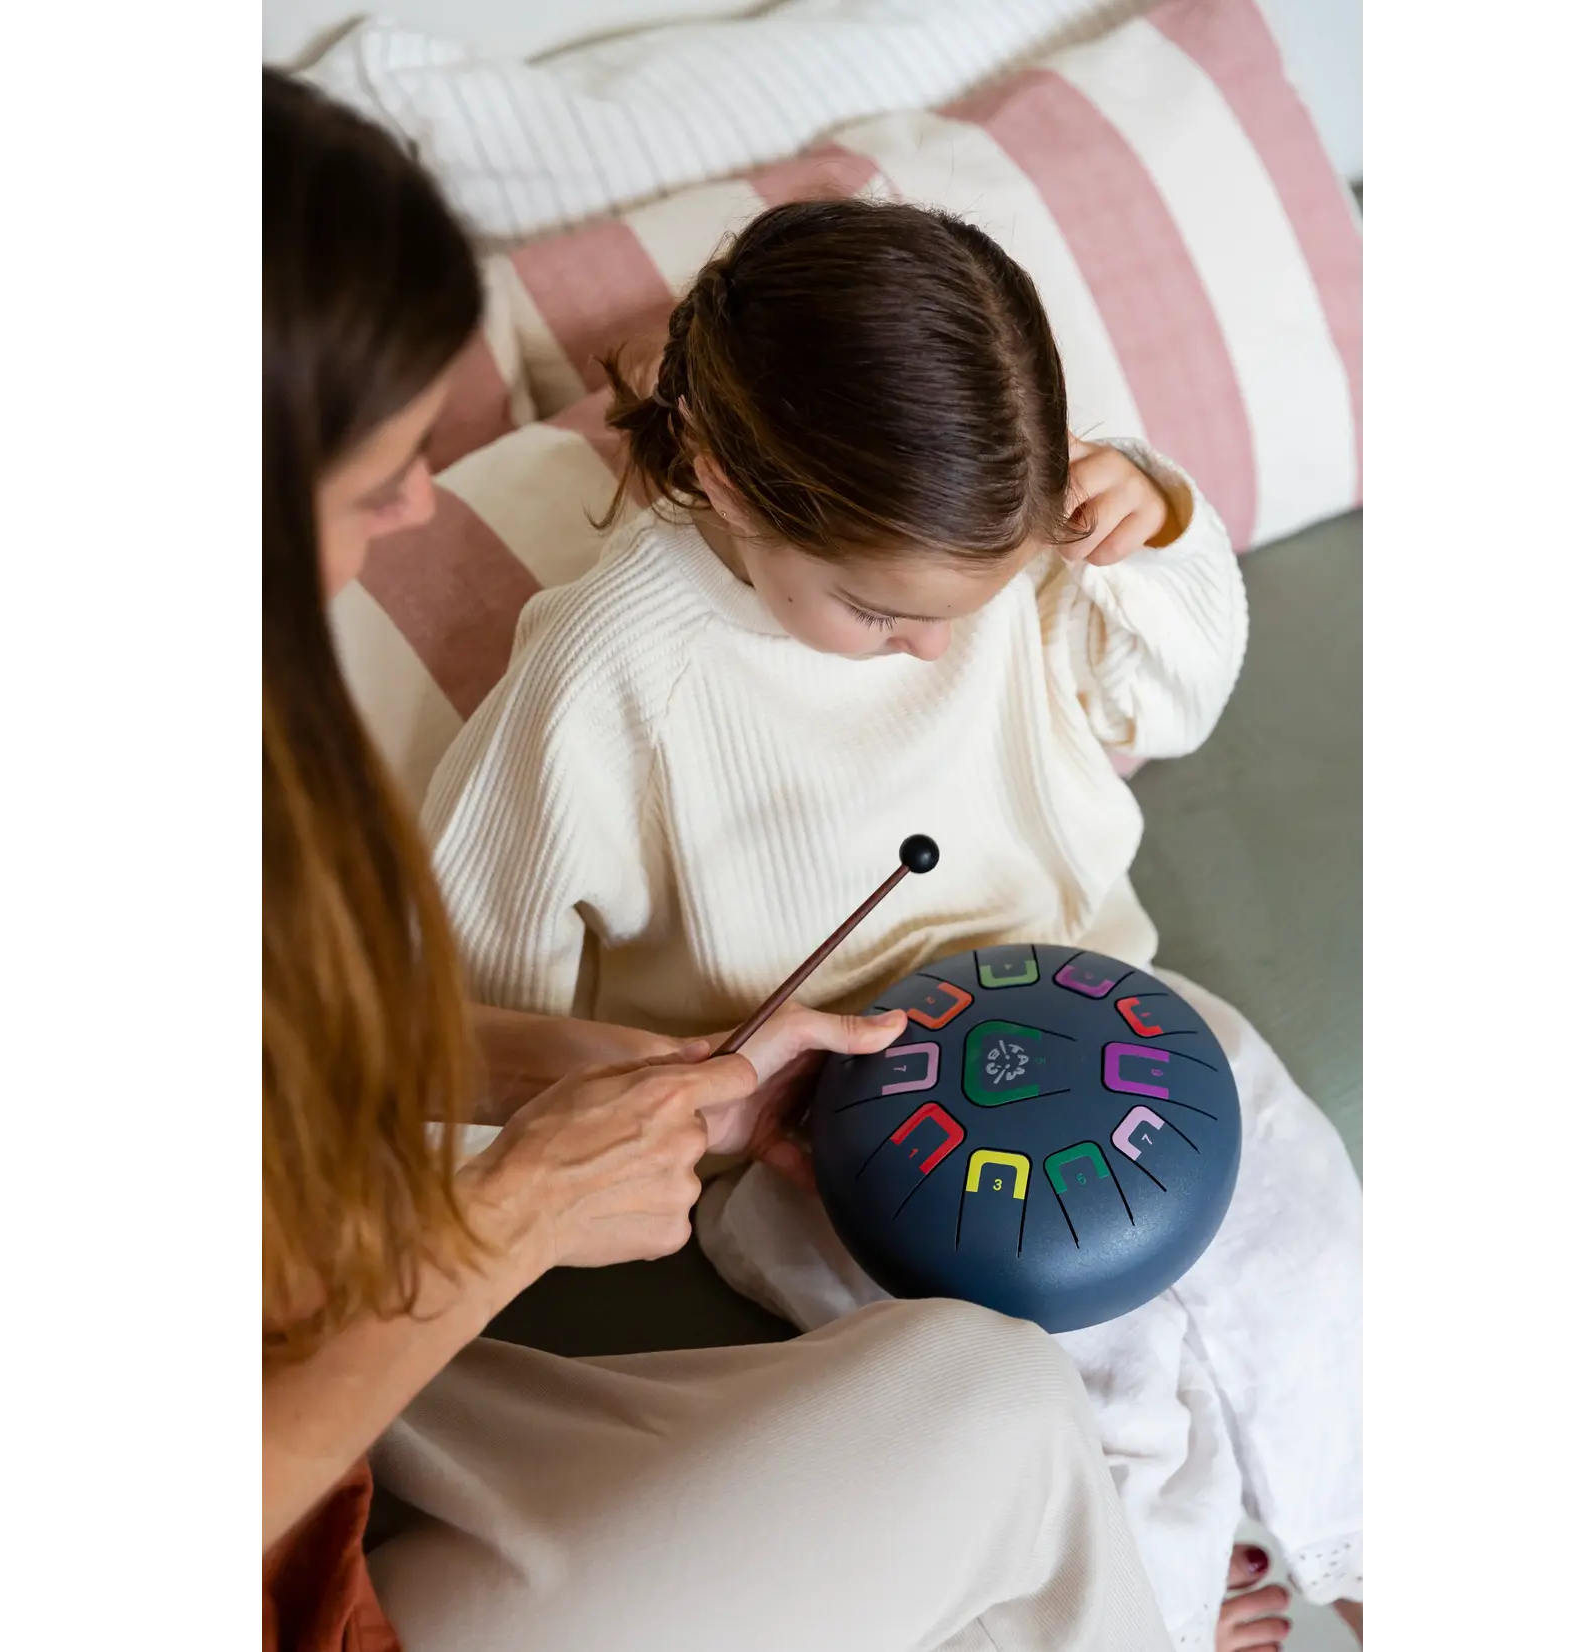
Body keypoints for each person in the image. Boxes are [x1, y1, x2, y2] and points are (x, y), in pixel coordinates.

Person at [259, 68, 1175, 1652]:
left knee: (1003, 1405)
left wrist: (624, 1072)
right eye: (369, 473)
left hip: (341, 1357)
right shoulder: (625, 664)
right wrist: (512, 1222)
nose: (421, 506)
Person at [421, 198, 1363, 1652]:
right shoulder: (617, 673)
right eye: (881, 617)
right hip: (834, 1126)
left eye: (968, 607)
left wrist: (1159, 530)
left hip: (1085, 1003)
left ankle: (1348, 1523)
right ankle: (1156, 1611)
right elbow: (470, 972)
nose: (937, 647)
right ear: (729, 486)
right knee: (1081, 1368)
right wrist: (646, 1111)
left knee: (1294, 1204)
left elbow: (1171, 698)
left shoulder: (999, 527)